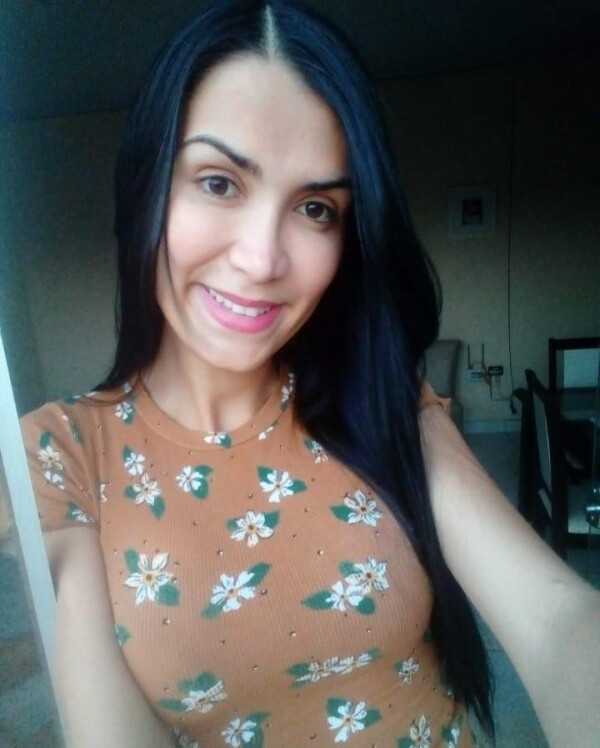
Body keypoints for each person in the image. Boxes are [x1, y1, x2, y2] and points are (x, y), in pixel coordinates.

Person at [19, 1, 600, 747]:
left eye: (317, 208)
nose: (263, 259)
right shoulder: (63, 453)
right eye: (219, 183)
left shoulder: (379, 396)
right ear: (145, 188)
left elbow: (557, 620)